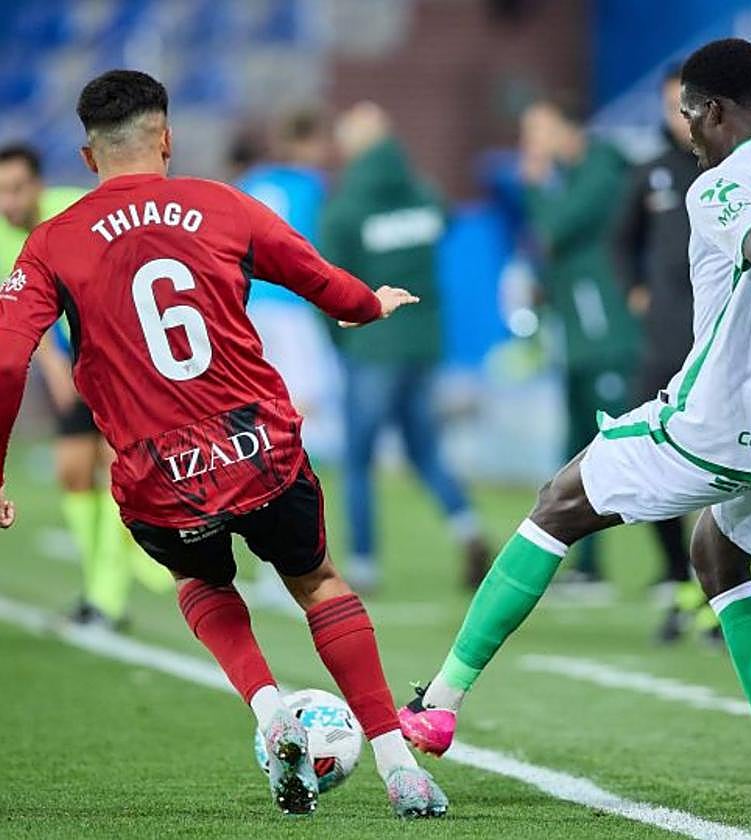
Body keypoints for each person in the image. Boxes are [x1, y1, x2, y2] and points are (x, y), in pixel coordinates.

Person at [397, 39, 751, 819]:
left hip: (717, 423)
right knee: (718, 559)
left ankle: (438, 704)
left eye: (689, 114)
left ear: (713, 110)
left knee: (555, 504)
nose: (686, 131)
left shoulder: (719, 185)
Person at [0, 70, 447, 819]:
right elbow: (324, 284)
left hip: (158, 475)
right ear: (167, 138)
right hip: (259, 451)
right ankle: (400, 766)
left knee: (203, 582)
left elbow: (10, 358)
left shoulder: (50, 243)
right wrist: (369, 304)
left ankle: (271, 712)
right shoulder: (222, 203)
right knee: (318, 583)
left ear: (86, 158)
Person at [0, 143, 171, 625]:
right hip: (73, 363)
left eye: (16, 189)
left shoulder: (76, 211)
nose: (8, 202)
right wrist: (56, 372)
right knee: (72, 471)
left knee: (117, 470)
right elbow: (23, 315)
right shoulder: (2, 241)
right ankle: (113, 571)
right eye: (0, 193)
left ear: (38, 185)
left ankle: (105, 596)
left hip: (119, 360)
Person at [322, 102, 489, 593]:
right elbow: (445, 220)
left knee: (357, 459)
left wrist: (339, 339)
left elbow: (327, 278)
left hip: (372, 346)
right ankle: (469, 529)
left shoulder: (347, 204)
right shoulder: (424, 192)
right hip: (423, 341)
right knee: (424, 449)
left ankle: (365, 564)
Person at [520, 97, 639, 591]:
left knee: (615, 451)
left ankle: (684, 566)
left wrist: (532, 184)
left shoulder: (600, 174)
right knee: (578, 451)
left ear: (566, 129)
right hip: (580, 338)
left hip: (607, 337)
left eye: (537, 131)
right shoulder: (574, 177)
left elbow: (550, 230)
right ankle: (588, 565)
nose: (530, 145)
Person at [612, 65, 713, 640]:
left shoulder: (732, 174)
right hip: (665, 344)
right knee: (653, 463)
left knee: (727, 471)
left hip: (721, 347)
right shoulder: (650, 174)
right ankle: (678, 578)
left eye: (688, 105)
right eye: (670, 105)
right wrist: (634, 287)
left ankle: (716, 591)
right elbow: (618, 239)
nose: (679, 117)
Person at [236, 109, 343, 464]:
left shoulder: (253, 181)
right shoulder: (312, 185)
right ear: (307, 143)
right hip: (289, 301)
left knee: (262, 385)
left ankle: (261, 453)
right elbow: (318, 243)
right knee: (306, 387)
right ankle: (292, 458)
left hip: (251, 301)